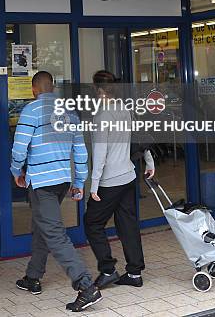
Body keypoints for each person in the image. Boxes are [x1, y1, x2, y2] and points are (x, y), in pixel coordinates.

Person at [10, 71, 102, 312]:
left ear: (34, 89)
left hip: (41, 183)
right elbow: (80, 151)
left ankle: (85, 285)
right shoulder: (70, 112)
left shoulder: (31, 110)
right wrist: (79, 181)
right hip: (62, 181)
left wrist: (16, 170)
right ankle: (32, 277)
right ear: (52, 89)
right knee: (43, 226)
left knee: (54, 233)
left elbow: (20, 146)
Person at [84, 70, 155, 289]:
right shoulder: (125, 109)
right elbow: (139, 138)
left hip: (111, 181)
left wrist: (93, 185)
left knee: (92, 222)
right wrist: (150, 162)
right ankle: (134, 274)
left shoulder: (102, 115)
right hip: (128, 176)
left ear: (98, 90)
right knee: (127, 224)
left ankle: (108, 270)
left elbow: (100, 154)